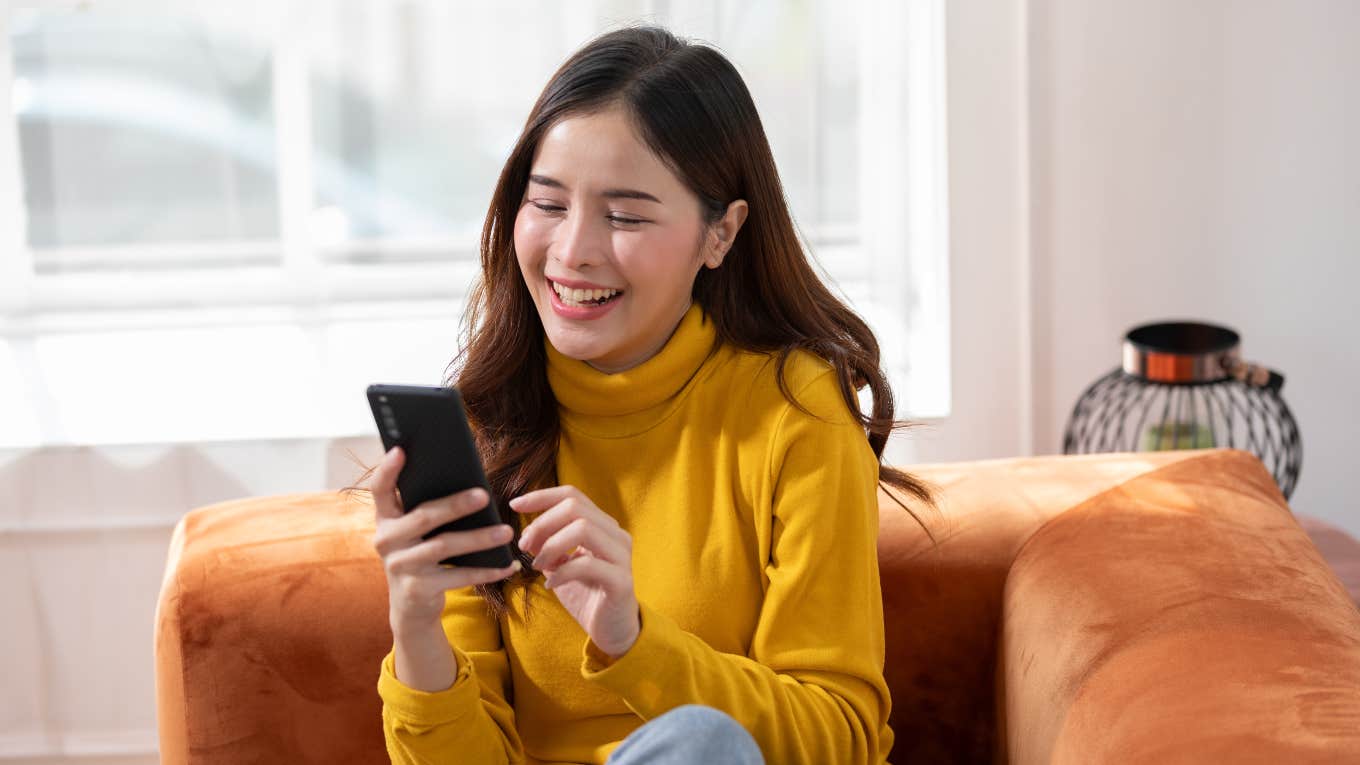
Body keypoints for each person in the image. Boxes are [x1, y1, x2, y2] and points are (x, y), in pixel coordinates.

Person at [363, 24, 934, 765]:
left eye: (626, 215)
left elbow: (843, 739)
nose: (573, 252)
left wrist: (634, 640)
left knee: (702, 742)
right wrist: (415, 626)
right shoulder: (487, 427)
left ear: (721, 234)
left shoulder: (795, 411)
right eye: (547, 204)